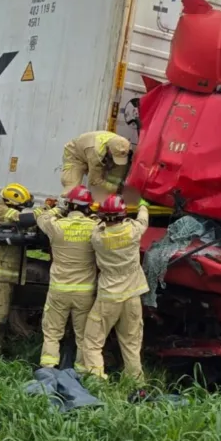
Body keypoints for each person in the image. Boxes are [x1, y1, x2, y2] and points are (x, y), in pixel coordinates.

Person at [82, 195, 150, 382]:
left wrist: (96, 217)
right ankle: (136, 383)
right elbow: (143, 220)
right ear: (123, 214)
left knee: (93, 342)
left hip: (108, 297)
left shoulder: (98, 237)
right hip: (133, 295)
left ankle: (97, 382)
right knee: (131, 343)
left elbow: (96, 225)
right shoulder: (133, 231)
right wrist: (143, 205)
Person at [35, 185, 99, 371]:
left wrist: (57, 208)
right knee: (83, 335)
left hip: (58, 290)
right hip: (84, 292)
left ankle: (48, 368)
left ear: (69, 206)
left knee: (52, 333)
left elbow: (41, 217)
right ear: (88, 207)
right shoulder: (94, 228)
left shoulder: (57, 226)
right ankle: (82, 371)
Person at [0, 182, 41, 355]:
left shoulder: (7, 213)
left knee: (2, 316)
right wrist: (48, 211)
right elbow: (24, 219)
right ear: (11, 203)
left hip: (5, 277)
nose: (21, 210)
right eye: (20, 207)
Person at [60, 130, 132, 204]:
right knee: (72, 188)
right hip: (75, 155)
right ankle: (63, 207)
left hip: (90, 151)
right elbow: (95, 181)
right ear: (109, 150)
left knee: (107, 186)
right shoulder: (96, 153)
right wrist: (117, 189)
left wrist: (116, 187)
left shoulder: (121, 143)